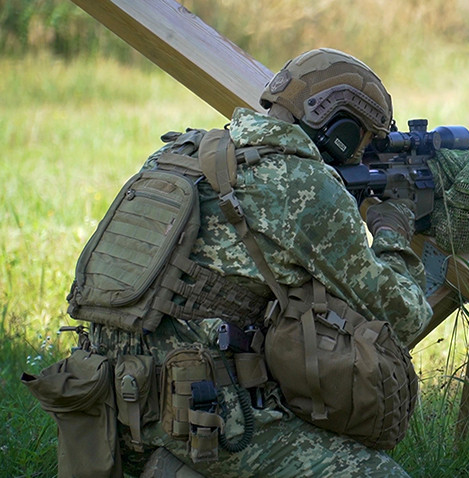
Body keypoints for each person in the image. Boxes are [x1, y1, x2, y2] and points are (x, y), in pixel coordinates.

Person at [83, 48, 431, 477]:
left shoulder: (182, 152)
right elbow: (404, 316)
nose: (361, 154)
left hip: (103, 402)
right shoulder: (300, 182)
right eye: (363, 140)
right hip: (197, 417)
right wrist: (393, 230)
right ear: (340, 128)